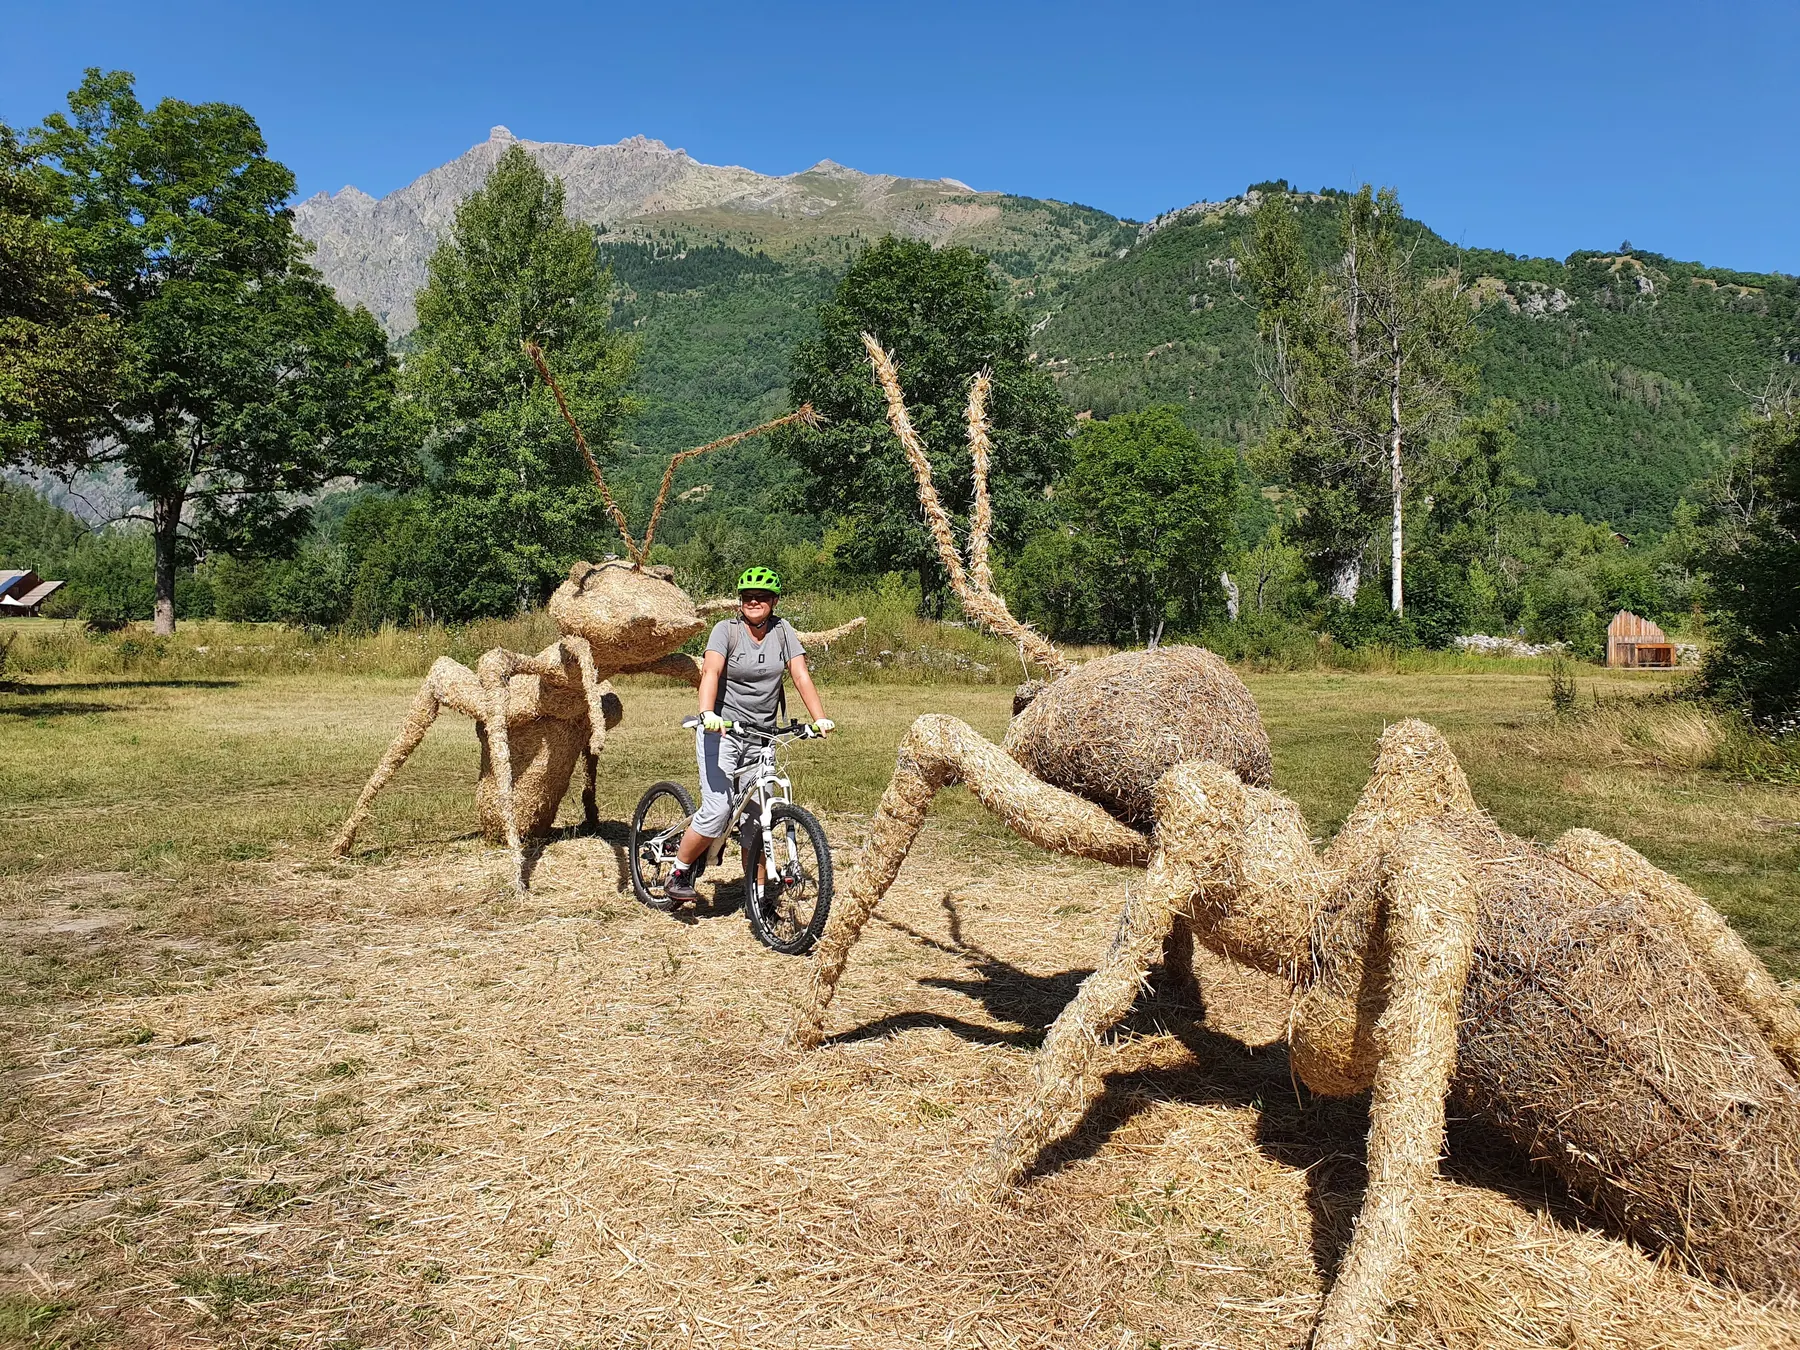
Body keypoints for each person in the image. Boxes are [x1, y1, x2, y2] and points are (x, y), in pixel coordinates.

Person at [663, 567, 833, 902]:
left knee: (757, 819)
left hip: (762, 737)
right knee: (718, 809)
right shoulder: (725, 630)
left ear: (774, 601)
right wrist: (708, 713)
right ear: (740, 601)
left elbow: (800, 675)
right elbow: (711, 672)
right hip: (723, 731)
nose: (754, 602)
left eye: (762, 597)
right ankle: (679, 871)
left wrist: (820, 718)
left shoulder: (783, 631)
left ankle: (757, 897)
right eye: (748, 597)